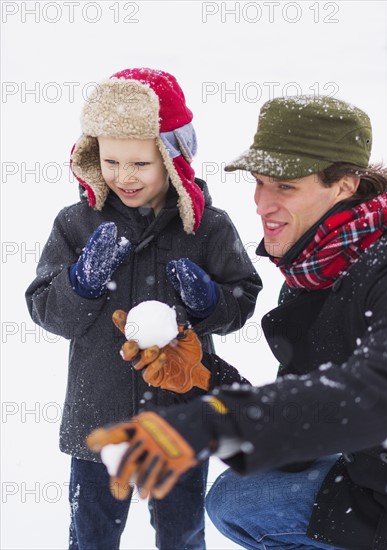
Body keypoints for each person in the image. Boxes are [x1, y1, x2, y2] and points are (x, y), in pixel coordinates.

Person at [86, 95, 387, 550]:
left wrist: (209, 424)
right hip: (373, 471)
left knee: (245, 501)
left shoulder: (380, 268)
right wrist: (203, 379)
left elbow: (376, 395)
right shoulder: (317, 270)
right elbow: (305, 426)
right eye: (260, 182)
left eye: (284, 187)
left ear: (344, 185)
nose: (261, 203)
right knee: (241, 495)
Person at [25, 67, 262, 550]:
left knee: (181, 534)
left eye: (140, 164)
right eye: (111, 161)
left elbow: (243, 300)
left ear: (174, 161)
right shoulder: (76, 224)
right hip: (99, 418)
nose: (124, 177)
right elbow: (45, 309)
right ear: (92, 156)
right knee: (91, 534)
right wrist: (80, 283)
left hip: (181, 417)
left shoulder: (208, 227)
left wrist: (210, 301)